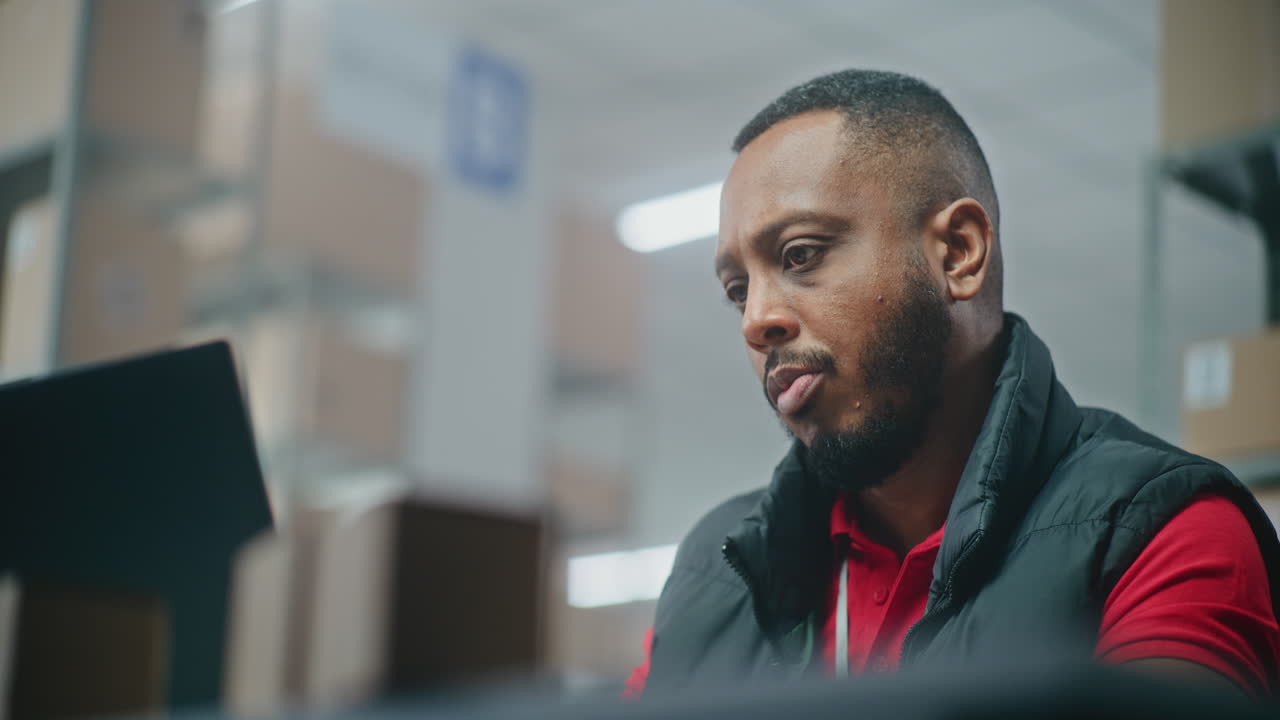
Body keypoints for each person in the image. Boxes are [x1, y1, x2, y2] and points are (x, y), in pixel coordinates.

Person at [624, 69, 1280, 699]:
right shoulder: (714, 573)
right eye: (737, 291)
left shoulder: (1164, 532)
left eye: (802, 255)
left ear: (959, 252)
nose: (757, 319)